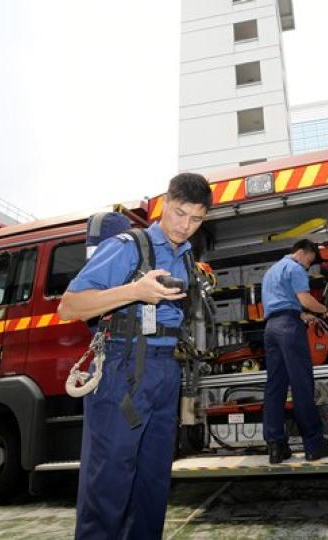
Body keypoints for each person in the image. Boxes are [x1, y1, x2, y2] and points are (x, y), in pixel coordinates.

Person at [58, 172, 212, 539]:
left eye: (196, 219)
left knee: (152, 485)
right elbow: (69, 306)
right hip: (122, 370)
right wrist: (135, 291)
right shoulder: (128, 246)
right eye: (179, 213)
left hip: (164, 372)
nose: (185, 226)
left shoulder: (188, 257)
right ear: (164, 205)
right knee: (109, 483)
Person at [262, 239, 328, 464]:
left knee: (275, 386)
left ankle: (276, 447)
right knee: (301, 385)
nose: (308, 266)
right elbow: (304, 299)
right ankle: (314, 445)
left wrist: (302, 315)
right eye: (310, 261)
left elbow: (282, 304)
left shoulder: (271, 271)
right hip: (289, 329)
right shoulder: (295, 268)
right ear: (303, 252)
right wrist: (325, 311)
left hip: (271, 329)